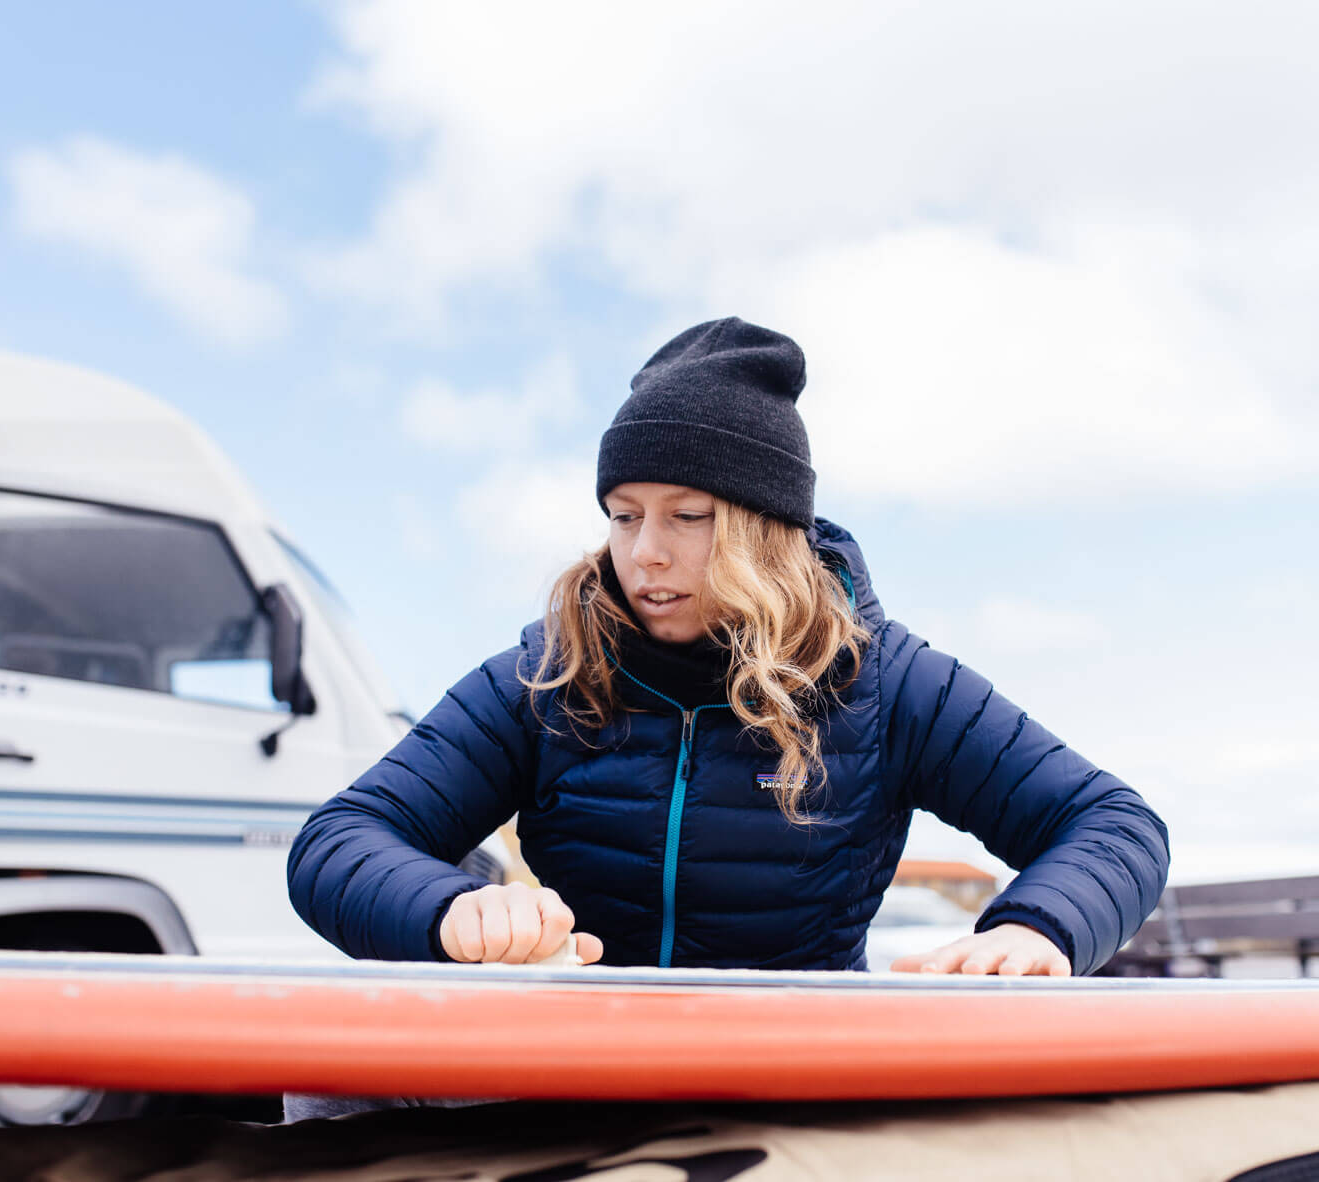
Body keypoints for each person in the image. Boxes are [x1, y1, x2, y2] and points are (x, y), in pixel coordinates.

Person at [288, 317, 1168, 985]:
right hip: (570, 1064)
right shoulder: (547, 676)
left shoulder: (889, 682)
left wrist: (1037, 929)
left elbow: (1114, 826)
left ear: (765, 530)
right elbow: (337, 841)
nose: (645, 554)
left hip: (791, 1078)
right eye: (624, 515)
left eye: (688, 517)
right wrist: (455, 910)